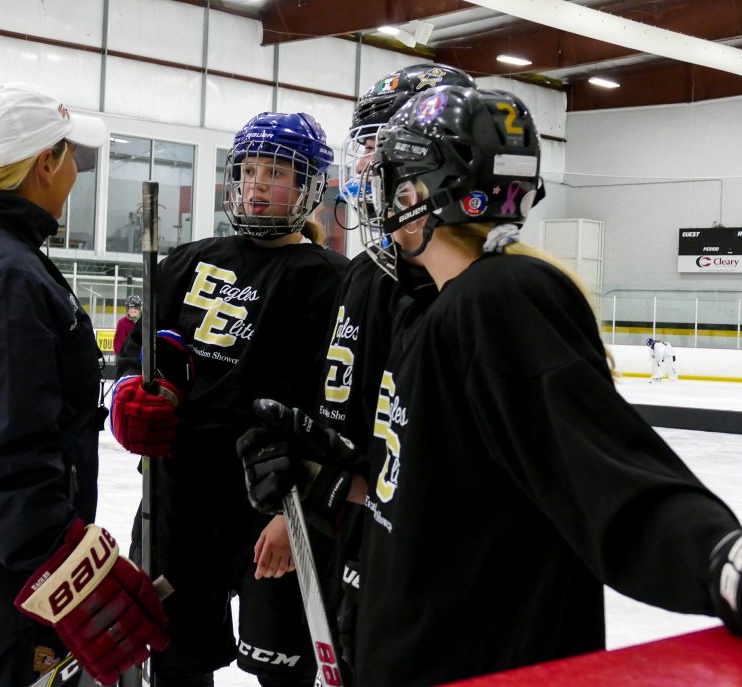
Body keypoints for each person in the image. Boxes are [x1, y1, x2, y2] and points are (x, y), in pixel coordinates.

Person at [237, 85, 742, 686]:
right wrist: (326, 484)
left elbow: (604, 477)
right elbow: (440, 497)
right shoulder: (425, 308)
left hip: (480, 661)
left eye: (386, 177)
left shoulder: (497, 300)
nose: (371, 196)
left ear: (416, 194)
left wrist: (735, 565)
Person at [0, 81, 168, 687]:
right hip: (6, 601)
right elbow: (4, 465)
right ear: (46, 164)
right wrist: (73, 578)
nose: (77, 171)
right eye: (71, 156)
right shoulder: (4, 278)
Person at [111, 111, 348, 687]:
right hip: (178, 498)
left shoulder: (333, 279)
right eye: (249, 171)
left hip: (269, 503)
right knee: (175, 662)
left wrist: (302, 515)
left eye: (278, 172)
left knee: (282, 667)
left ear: (310, 186)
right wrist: (134, 398)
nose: (258, 185)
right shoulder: (187, 261)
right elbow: (148, 355)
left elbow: (336, 407)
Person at [307, 64, 477, 677]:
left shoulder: (469, 294)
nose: (361, 169)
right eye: (367, 148)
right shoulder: (374, 270)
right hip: (368, 543)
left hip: (434, 579)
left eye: (380, 147)